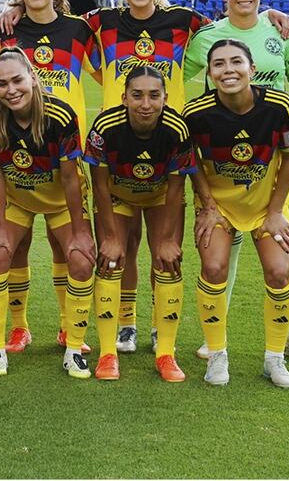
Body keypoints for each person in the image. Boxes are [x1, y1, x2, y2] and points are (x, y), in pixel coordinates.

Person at [0, 0, 289, 355]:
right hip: (115, 142)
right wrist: (18, 7)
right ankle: (126, 324)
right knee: (124, 242)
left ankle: (158, 326)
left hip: (167, 144)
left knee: (164, 244)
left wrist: (265, 13)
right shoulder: (100, 22)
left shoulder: (184, 21)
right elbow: (52, 16)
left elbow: (230, 25)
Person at [183, 0, 289, 366]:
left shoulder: (280, 32)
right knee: (222, 247)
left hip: (274, 159)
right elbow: (174, 76)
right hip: (224, 162)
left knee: (282, 244)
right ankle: (216, 337)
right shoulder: (207, 37)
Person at [0, 0, 99, 355]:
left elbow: (109, 70)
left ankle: (69, 327)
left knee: (61, 243)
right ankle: (19, 327)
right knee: (14, 245)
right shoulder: (7, 31)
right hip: (17, 152)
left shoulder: (79, 30)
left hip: (65, 150)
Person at [184, 39, 289, 388]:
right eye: (219, 64)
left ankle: (274, 359)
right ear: (210, 74)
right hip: (219, 204)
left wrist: (276, 211)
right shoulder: (196, 113)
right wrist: (208, 206)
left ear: (252, 69)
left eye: (236, 62)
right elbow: (191, 161)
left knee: (279, 271)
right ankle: (217, 355)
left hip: (268, 202)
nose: (228, 70)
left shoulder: (280, 106)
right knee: (213, 267)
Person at [0, 47, 96, 379]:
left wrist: (81, 231)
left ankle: (73, 347)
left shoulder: (60, 115)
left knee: (81, 259)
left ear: (32, 76)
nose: (10, 90)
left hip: (60, 200)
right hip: (18, 198)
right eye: (2, 84)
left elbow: (70, 178)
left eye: (17, 80)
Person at [83, 66, 194, 381]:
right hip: (118, 193)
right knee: (112, 259)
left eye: (154, 95)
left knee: (167, 260)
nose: (146, 104)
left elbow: (177, 188)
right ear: (124, 98)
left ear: (165, 98)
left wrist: (168, 240)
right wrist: (109, 236)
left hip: (160, 194)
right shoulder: (105, 127)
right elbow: (99, 185)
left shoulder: (177, 129)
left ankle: (166, 351)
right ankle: (110, 349)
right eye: (137, 95)